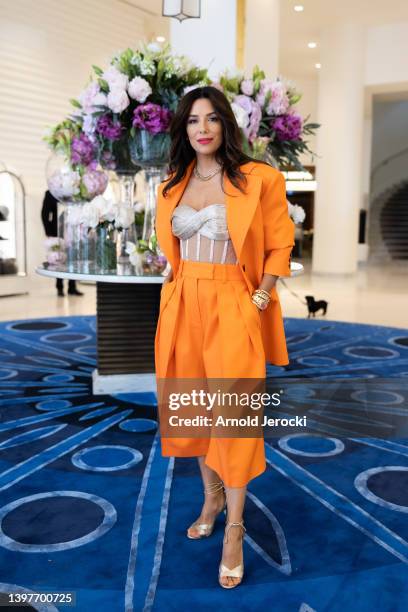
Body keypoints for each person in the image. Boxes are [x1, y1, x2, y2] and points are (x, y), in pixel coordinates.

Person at [154, 86, 295, 589]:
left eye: (212, 119)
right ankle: (210, 495)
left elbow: (280, 244)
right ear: (183, 129)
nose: (203, 129)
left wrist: (260, 297)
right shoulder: (172, 183)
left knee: (233, 415)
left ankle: (234, 527)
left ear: (227, 125)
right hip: (181, 303)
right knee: (193, 408)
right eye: (193, 121)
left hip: (234, 303)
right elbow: (172, 249)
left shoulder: (260, 179)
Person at [41, 190, 83, 297]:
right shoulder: (50, 193)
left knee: (73, 258)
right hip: (57, 231)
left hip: (72, 230)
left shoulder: (75, 192)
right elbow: (44, 213)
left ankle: (72, 287)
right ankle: (59, 287)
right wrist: (49, 232)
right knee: (58, 259)